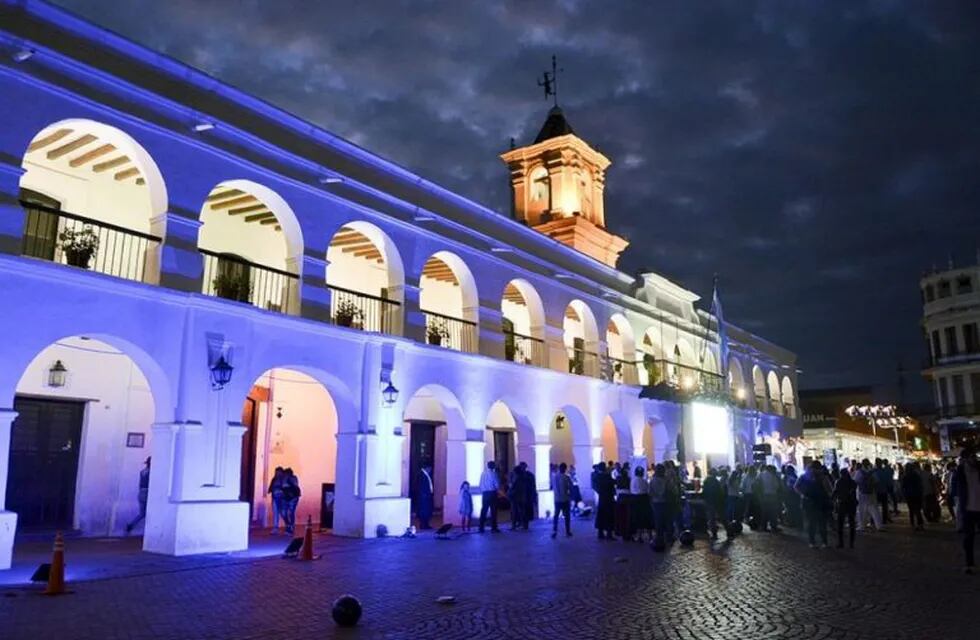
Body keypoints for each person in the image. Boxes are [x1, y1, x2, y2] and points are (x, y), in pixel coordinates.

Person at [951, 447, 980, 573]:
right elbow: (955, 488)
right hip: (968, 508)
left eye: (974, 456)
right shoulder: (960, 471)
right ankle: (969, 563)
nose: (973, 459)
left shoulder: (979, 468)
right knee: (968, 538)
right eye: (970, 457)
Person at [796, 461, 830, 548]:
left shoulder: (804, 477)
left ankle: (812, 542)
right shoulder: (822, 477)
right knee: (821, 523)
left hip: (809, 502)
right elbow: (828, 489)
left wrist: (803, 494)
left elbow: (796, 487)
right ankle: (823, 542)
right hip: (820, 502)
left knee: (811, 523)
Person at [854, 459, 883, 532]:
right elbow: (877, 481)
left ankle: (862, 526)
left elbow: (856, 482)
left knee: (862, 511)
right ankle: (879, 526)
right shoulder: (873, 472)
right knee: (875, 510)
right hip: (871, 493)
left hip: (862, 493)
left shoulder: (859, 472)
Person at [833, 468, 858, 549]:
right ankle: (851, 543)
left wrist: (832, 499)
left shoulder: (838, 482)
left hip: (842, 504)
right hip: (851, 504)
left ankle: (841, 543)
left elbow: (835, 492)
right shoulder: (852, 482)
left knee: (840, 524)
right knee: (852, 523)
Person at [125, 457, 151, 534]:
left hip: (141, 492)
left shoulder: (142, 472)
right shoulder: (152, 472)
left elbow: (140, 484)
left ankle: (131, 525)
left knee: (142, 513)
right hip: (147, 492)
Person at [592, 462, 616, 540]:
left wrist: (600, 492)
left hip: (601, 497)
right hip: (608, 498)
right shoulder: (607, 476)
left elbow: (594, 486)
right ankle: (609, 534)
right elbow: (613, 483)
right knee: (609, 516)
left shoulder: (597, 477)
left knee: (601, 515)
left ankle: (600, 533)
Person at [649, 464, 669, 544]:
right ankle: (667, 536)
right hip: (665, 501)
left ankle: (659, 536)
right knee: (666, 519)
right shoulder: (665, 480)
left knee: (658, 520)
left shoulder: (653, 480)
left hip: (656, 501)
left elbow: (650, 491)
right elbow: (668, 490)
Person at [551, 462, 573, 538]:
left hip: (561, 499)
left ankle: (559, 531)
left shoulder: (561, 477)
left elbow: (570, 487)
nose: (563, 469)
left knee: (559, 515)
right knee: (561, 515)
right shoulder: (562, 477)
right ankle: (562, 531)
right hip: (562, 499)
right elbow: (570, 487)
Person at [701, 468, 724, 540]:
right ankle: (729, 531)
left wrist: (705, 499)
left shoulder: (706, 480)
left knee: (711, 518)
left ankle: (714, 533)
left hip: (710, 501)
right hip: (716, 501)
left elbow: (704, 491)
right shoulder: (716, 481)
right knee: (722, 516)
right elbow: (720, 491)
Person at [757, 464, 781, 532]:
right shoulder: (773, 476)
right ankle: (773, 526)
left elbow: (757, 484)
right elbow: (777, 486)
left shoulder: (760, 475)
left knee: (764, 512)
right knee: (773, 512)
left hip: (763, 495)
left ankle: (763, 526)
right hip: (772, 495)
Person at [630, 465, 652, 542]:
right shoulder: (644, 481)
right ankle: (650, 536)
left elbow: (632, 490)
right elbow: (647, 490)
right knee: (647, 518)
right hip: (644, 499)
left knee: (638, 518)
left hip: (635, 499)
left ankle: (639, 536)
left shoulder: (633, 480)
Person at [901, 461, 925, 530]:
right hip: (917, 494)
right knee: (917, 509)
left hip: (909, 495)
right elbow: (920, 485)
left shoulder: (905, 476)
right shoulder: (916, 475)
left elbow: (903, 486)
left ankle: (913, 524)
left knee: (911, 510)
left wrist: (904, 494)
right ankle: (920, 524)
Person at [478, 461, 501, 533]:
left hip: (485, 494)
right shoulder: (494, 474)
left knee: (484, 510)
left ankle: (481, 527)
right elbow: (497, 484)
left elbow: (480, 484)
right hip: (492, 493)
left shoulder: (483, 474)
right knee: (493, 511)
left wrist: (483, 490)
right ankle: (493, 528)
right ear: (493, 466)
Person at [508, 465, 529, 531]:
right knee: (522, 511)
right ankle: (524, 525)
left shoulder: (516, 478)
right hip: (521, 496)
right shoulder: (523, 477)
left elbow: (512, 486)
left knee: (514, 511)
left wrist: (509, 482)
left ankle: (514, 526)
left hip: (515, 497)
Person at [873, 459, 893, 525]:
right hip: (883, 490)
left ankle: (876, 520)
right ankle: (883, 519)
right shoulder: (884, 471)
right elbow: (888, 481)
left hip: (877, 491)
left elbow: (874, 482)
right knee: (884, 506)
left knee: (876, 506)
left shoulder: (874, 471)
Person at [282, 467, 301, 535]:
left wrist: (288, 481)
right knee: (283, 512)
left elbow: (295, 486)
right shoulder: (283, 479)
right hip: (285, 498)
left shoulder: (293, 478)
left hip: (293, 497)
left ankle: (291, 527)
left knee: (290, 512)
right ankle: (288, 525)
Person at [267, 466, 286, 534]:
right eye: (276, 472)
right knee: (275, 513)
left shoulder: (283, 479)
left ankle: (289, 525)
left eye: (278, 472)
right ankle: (276, 528)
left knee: (283, 512)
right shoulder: (274, 479)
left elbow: (285, 488)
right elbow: (271, 487)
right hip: (275, 498)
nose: (277, 473)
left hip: (281, 499)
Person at [417, 462, 434, 529]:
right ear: (427, 468)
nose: (431, 470)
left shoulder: (426, 475)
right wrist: (424, 495)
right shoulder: (422, 475)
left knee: (427, 511)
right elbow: (421, 486)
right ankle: (423, 525)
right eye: (430, 469)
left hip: (427, 497)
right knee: (424, 511)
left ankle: (426, 524)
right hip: (424, 498)